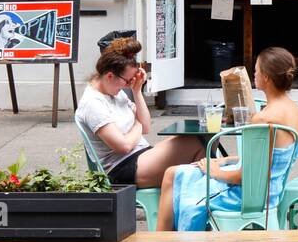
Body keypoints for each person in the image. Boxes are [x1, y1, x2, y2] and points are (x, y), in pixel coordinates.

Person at [159, 46, 298, 231]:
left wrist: (213, 170)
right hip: (269, 189)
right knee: (173, 174)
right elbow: (273, 159)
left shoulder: (264, 118)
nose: (254, 75)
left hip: (249, 195)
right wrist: (227, 160)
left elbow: (243, 177)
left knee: (178, 181)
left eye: (256, 71)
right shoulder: (294, 110)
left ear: (266, 77)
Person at [75, 37, 204, 187]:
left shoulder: (115, 90)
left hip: (141, 154)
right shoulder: (93, 104)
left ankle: (193, 199)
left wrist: (137, 91)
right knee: (197, 144)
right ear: (110, 76)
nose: (129, 84)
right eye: (128, 80)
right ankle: (197, 200)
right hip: (121, 168)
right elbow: (124, 146)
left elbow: (146, 126)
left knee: (202, 139)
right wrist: (138, 124)